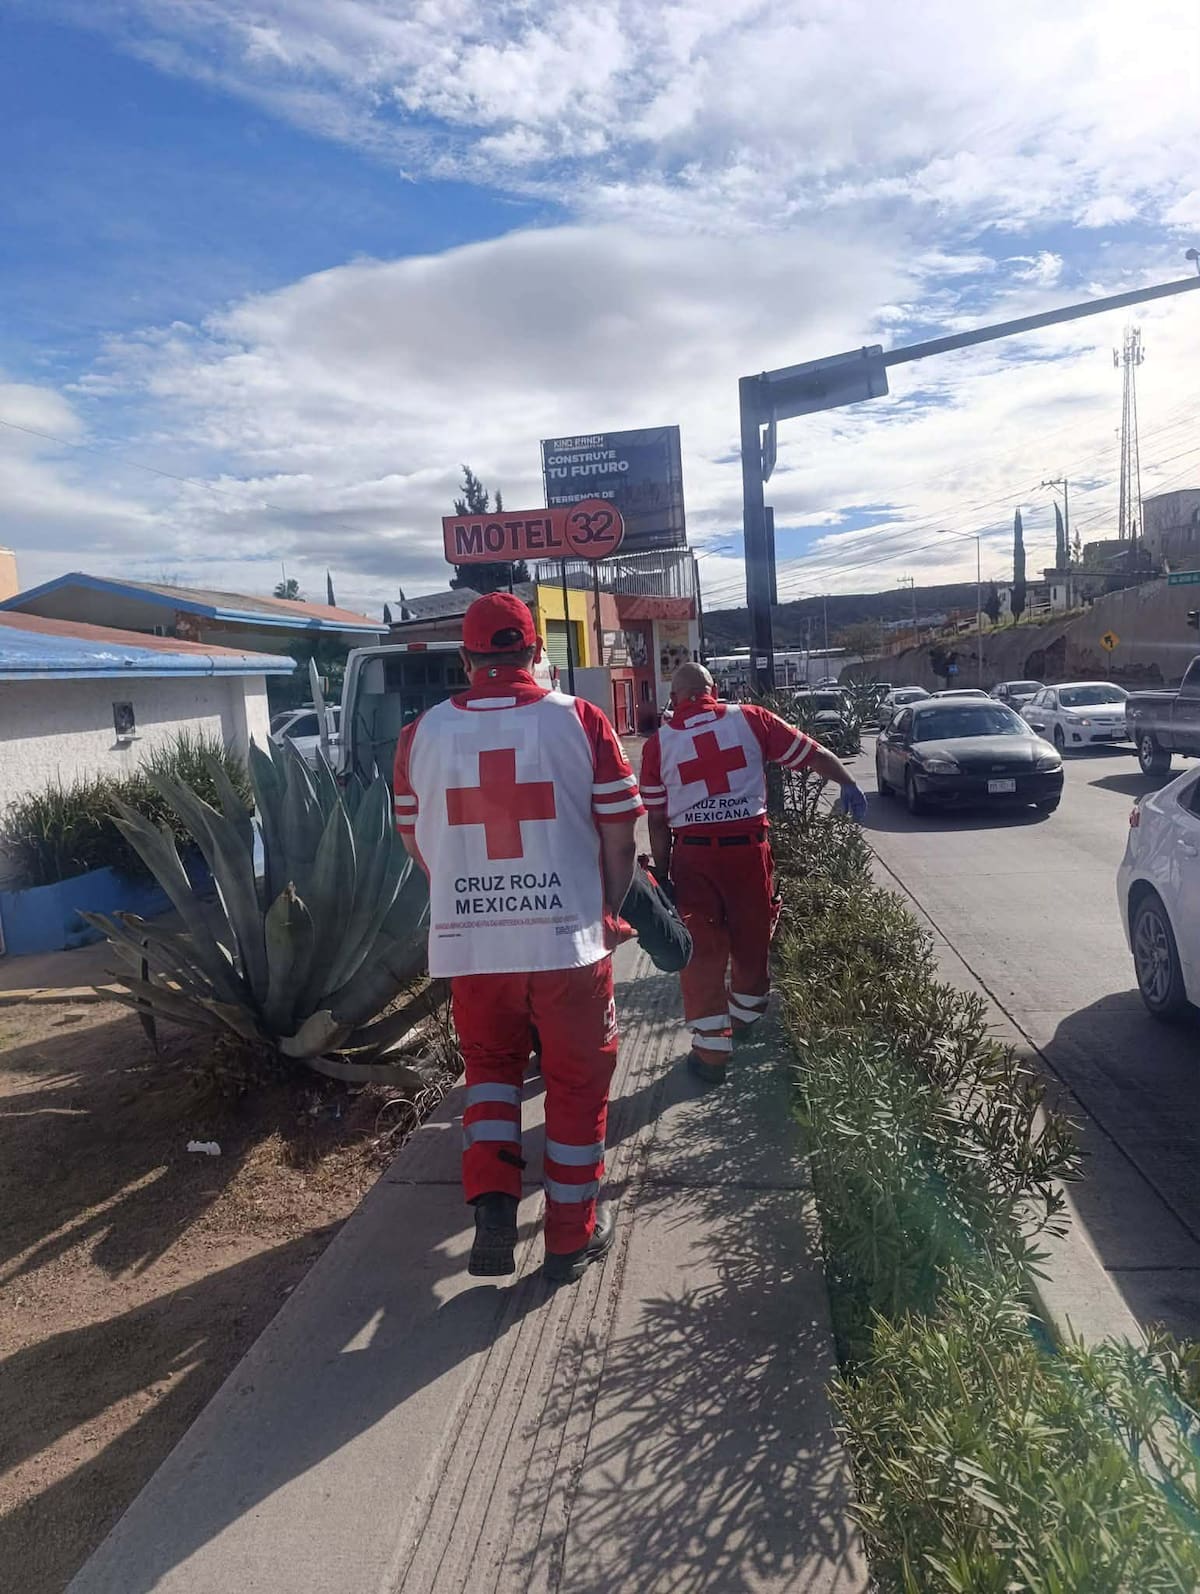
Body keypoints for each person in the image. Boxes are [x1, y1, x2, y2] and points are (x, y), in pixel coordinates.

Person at [393, 593, 641, 1284]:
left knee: (492, 1073)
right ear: (537, 654)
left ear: (467, 658)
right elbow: (621, 834)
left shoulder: (421, 735)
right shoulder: (582, 720)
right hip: (569, 946)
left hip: (473, 950)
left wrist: (466, 887)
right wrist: (609, 907)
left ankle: (495, 1203)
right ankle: (570, 1237)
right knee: (574, 1084)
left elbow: (415, 839)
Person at [640, 663, 866, 1086]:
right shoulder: (750, 718)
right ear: (715, 689)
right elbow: (814, 753)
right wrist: (849, 781)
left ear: (674, 698)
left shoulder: (659, 744)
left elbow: (656, 820)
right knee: (752, 942)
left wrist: (665, 873)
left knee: (702, 955)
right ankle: (742, 1023)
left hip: (693, 859)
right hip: (748, 854)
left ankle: (711, 1057)